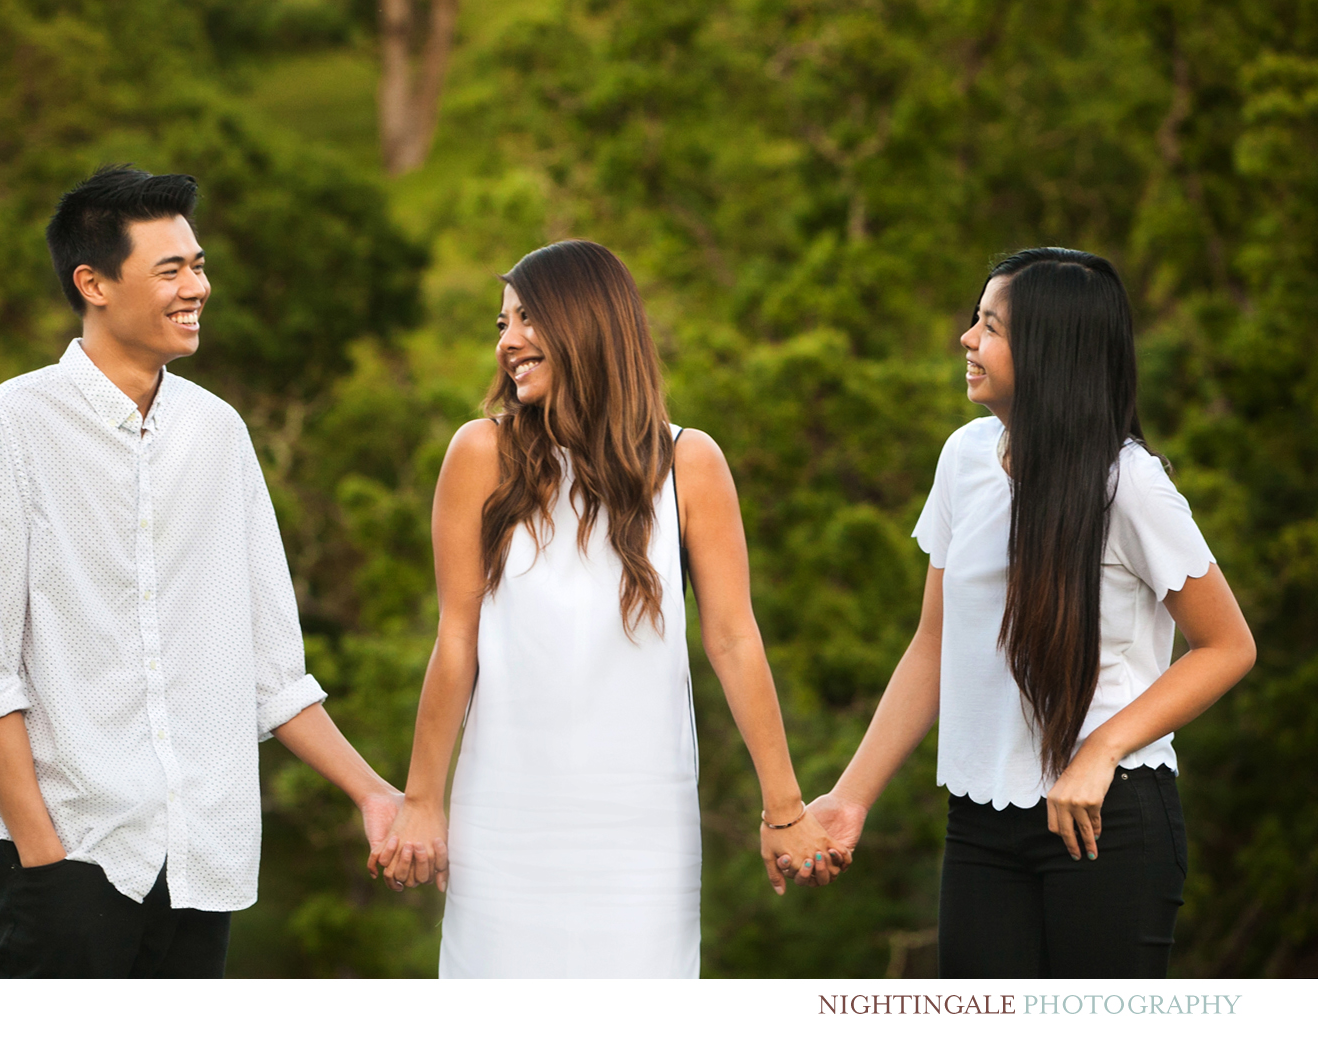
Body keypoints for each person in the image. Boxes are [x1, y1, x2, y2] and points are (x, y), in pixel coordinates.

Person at [0, 165, 402, 978]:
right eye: (171, 269)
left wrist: (375, 794)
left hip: (200, 870)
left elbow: (274, 674)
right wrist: (48, 864)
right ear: (94, 283)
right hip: (72, 861)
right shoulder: (5, 428)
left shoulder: (219, 433)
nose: (198, 286)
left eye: (200, 264)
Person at [369, 239, 848, 978]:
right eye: (501, 324)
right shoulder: (478, 455)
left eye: (527, 319)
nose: (508, 342)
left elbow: (733, 639)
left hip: (643, 832)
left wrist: (784, 809)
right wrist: (423, 799)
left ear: (587, 323)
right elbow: (455, 641)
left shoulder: (691, 461)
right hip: (505, 820)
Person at [807, 247, 1256, 978]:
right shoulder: (965, 457)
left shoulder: (1130, 483)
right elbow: (935, 644)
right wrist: (852, 796)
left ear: (1049, 352)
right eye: (974, 320)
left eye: (991, 326)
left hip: (1107, 821)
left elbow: (1227, 645)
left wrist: (1100, 749)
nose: (967, 339)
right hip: (980, 824)